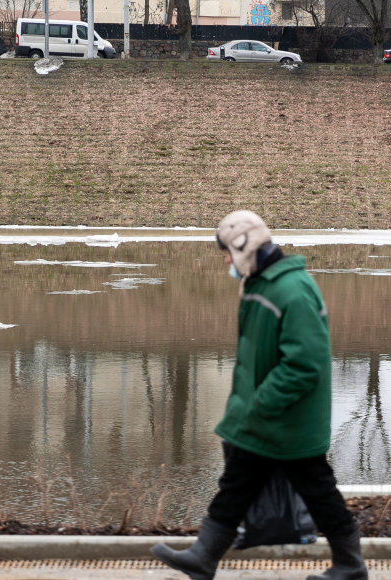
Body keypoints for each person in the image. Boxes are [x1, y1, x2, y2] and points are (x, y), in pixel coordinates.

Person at [151, 210, 367, 580]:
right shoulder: (262, 285)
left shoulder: (291, 290)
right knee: (238, 484)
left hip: (288, 419)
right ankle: (204, 557)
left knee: (317, 490)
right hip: (267, 418)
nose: (225, 261)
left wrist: (261, 404)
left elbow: (304, 363)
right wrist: (246, 408)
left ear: (243, 246)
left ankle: (350, 564)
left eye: (226, 252)